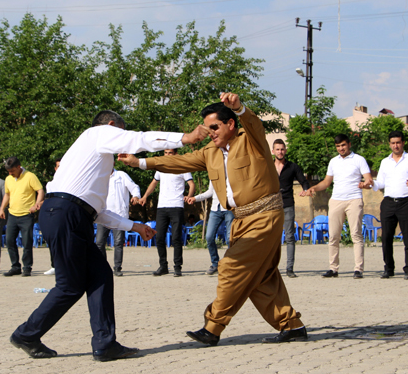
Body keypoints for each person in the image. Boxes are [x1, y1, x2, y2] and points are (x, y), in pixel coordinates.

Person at [9, 110, 198, 362]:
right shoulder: (97, 133)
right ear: (111, 126)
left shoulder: (90, 158)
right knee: (69, 286)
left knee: (99, 274)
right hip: (66, 214)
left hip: (68, 213)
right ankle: (26, 334)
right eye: (121, 130)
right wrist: (185, 138)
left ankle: (105, 343)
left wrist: (135, 227)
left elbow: (95, 210)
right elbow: (139, 139)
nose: (121, 137)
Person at [120, 93, 306, 345]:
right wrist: (140, 162)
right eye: (207, 129)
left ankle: (213, 327)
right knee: (261, 277)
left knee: (230, 267)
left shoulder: (252, 141)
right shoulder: (210, 152)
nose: (211, 133)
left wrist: (239, 107)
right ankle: (291, 325)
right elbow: (178, 162)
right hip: (240, 220)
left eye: (215, 127)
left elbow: (254, 123)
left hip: (264, 216)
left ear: (230, 124)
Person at [305, 134, 372, 279]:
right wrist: (314, 188)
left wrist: (365, 183)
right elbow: (326, 182)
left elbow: (368, 178)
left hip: (354, 199)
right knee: (333, 236)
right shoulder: (333, 162)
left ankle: (358, 269)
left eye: (343, 145)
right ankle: (333, 268)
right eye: (338, 146)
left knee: (356, 234)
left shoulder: (359, 159)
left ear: (349, 144)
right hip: (336, 200)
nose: (341, 148)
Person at [361, 131, 408, 280]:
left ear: (403, 143)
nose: (395, 145)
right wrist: (371, 184)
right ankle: (388, 268)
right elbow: (381, 183)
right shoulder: (385, 162)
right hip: (389, 201)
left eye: (398, 142)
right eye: (393, 143)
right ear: (389, 144)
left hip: (406, 201)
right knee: (386, 237)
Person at [139, 150, 194, 277]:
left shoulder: (182, 167)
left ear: (175, 154)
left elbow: (191, 184)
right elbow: (153, 183)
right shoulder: (161, 168)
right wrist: (145, 196)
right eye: (165, 153)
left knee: (176, 237)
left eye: (170, 153)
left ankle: (177, 267)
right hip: (162, 207)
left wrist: (189, 196)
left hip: (176, 206)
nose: (167, 155)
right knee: (159, 237)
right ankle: (163, 266)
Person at [0, 157, 44, 277]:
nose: (10, 174)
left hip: (26, 214)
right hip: (12, 214)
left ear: (19, 167)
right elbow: (7, 194)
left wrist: (36, 204)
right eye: (8, 172)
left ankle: (27, 267)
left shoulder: (30, 176)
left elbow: (40, 191)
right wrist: (2, 209)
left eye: (12, 171)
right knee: (9, 241)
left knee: (27, 242)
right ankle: (15, 266)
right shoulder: (8, 179)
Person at [272, 139, 309, 278]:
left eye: (282, 149)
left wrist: (306, 189)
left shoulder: (292, 167)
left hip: (287, 205)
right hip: (272, 206)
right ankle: (271, 268)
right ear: (273, 151)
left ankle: (289, 268)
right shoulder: (267, 165)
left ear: (285, 150)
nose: (280, 152)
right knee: (271, 238)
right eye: (277, 149)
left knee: (289, 236)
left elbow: (303, 180)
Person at [95, 169, 141, 277]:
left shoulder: (121, 175)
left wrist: (135, 196)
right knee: (99, 242)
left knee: (118, 242)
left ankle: (117, 267)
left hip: (119, 215)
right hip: (103, 214)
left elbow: (134, 187)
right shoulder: (99, 175)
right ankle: (102, 267)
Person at [186, 180, 233, 275]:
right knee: (209, 236)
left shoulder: (232, 170)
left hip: (229, 208)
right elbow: (210, 192)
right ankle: (215, 263)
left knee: (230, 239)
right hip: (215, 209)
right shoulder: (213, 175)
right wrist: (195, 198)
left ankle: (231, 264)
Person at [44, 158, 62, 276]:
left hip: (65, 215)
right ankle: (54, 266)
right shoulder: (51, 184)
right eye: (58, 166)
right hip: (54, 215)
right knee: (53, 241)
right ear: (55, 169)